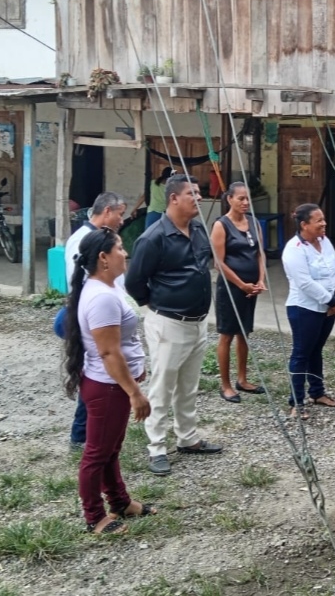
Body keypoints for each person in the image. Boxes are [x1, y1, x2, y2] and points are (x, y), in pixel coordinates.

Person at [125, 174, 222, 476]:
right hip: (168, 322)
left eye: (199, 192)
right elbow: (134, 282)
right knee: (162, 387)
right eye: (192, 193)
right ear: (173, 198)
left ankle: (187, 437)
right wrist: (157, 305)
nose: (199, 198)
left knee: (188, 385)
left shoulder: (198, 229)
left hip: (197, 321)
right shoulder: (153, 238)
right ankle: (156, 448)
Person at [62, 227, 154, 535]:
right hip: (107, 387)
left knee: (111, 448)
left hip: (111, 384)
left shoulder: (108, 287)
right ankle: (94, 517)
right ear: (103, 257)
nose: (125, 254)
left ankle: (120, 502)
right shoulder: (101, 297)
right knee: (97, 453)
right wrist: (134, 392)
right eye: (120, 248)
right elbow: (108, 352)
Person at [56, 192, 129, 449]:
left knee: (101, 371)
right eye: (120, 214)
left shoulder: (103, 238)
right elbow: (82, 282)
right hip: (95, 316)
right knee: (96, 372)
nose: (122, 219)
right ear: (107, 211)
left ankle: (92, 432)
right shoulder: (83, 240)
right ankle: (81, 435)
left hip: (106, 314)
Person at [282, 203, 335, 419]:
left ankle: (317, 392)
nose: (324, 224)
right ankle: (296, 401)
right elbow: (304, 283)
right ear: (304, 225)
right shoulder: (294, 249)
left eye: (323, 219)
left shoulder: (324, 241)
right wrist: (332, 301)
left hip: (328, 308)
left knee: (316, 349)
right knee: (301, 353)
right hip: (304, 308)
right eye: (319, 221)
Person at [211, 181, 267, 404]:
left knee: (244, 332)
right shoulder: (221, 225)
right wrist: (241, 284)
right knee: (227, 334)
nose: (245, 203)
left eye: (247, 199)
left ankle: (242, 379)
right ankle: (225, 385)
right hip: (231, 287)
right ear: (230, 199)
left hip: (251, 287)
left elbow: (260, 253)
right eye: (240, 198)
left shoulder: (253, 222)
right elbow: (218, 263)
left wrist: (260, 279)